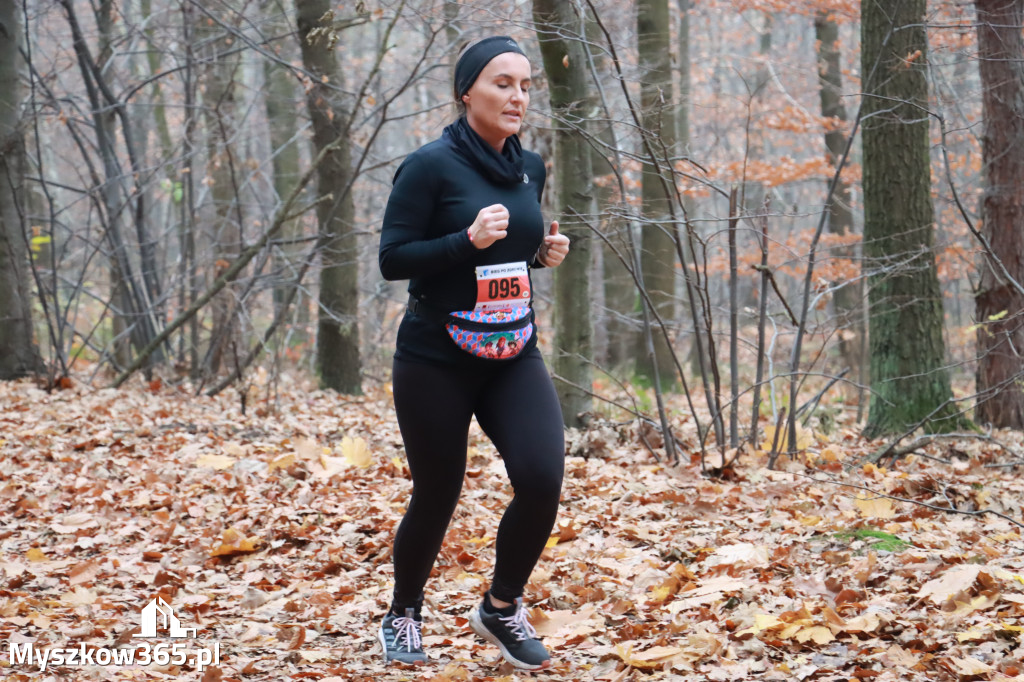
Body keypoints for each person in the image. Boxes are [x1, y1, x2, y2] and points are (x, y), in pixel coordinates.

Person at [376, 35, 570, 671]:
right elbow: (393, 260)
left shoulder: (529, 166)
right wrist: (464, 239)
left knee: (542, 478)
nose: (517, 97)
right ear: (468, 93)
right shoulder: (428, 167)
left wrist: (540, 255)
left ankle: (501, 606)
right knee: (438, 490)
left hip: (513, 348)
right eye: (502, 84)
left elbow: (508, 256)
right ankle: (404, 612)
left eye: (524, 86)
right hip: (436, 356)